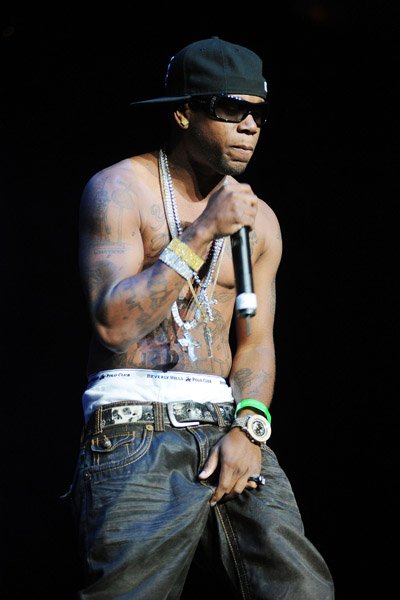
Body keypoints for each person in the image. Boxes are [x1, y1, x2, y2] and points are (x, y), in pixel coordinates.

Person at [69, 37, 335, 599]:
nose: (249, 126)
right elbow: (114, 326)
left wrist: (249, 427)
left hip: (227, 427)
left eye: (258, 113)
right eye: (231, 109)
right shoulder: (120, 190)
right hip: (135, 427)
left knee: (302, 589)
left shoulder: (261, 223)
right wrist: (203, 230)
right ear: (183, 113)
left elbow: (257, 342)